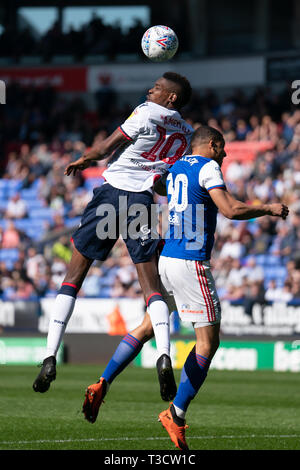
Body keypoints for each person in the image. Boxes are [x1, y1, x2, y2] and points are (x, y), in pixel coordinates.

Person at [32, 72, 194, 406]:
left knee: (73, 277)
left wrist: (84, 159)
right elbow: (164, 181)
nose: (150, 89)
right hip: (142, 200)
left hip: (112, 195)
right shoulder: (186, 133)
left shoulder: (146, 111)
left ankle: (49, 356)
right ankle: (164, 354)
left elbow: (106, 148)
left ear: (170, 98)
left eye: (158, 88)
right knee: (152, 286)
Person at [156, 125, 289, 450]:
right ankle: (177, 413)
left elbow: (161, 188)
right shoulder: (207, 166)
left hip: (167, 257)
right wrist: (269, 209)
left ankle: (108, 378)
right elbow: (230, 209)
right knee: (208, 342)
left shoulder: (177, 166)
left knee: (158, 327)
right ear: (212, 145)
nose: (226, 154)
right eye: (223, 148)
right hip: (190, 261)